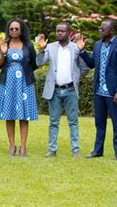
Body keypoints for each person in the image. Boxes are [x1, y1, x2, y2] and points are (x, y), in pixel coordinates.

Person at [77, 19, 117, 161]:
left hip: (113, 93)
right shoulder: (97, 45)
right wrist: (82, 51)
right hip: (99, 92)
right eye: (100, 28)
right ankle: (98, 151)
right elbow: (92, 64)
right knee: (99, 123)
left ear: (112, 31)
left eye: (103, 28)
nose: (100, 30)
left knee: (116, 123)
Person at [36, 22, 89, 158]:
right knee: (53, 122)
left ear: (68, 32)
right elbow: (39, 63)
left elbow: (85, 68)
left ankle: (75, 150)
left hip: (71, 90)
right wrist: (41, 50)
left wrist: (75, 77)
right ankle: (52, 150)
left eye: (62, 31)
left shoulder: (76, 48)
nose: (59, 33)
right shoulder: (50, 47)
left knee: (73, 121)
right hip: (54, 91)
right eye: (57, 31)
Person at [0, 18, 38, 157]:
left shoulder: (28, 45)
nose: (14, 31)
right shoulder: (4, 44)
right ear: (8, 31)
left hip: (24, 84)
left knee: (24, 116)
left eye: (16, 28)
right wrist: (3, 54)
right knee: (9, 115)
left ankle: (23, 146)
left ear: (21, 29)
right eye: (11, 29)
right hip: (8, 83)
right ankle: (12, 146)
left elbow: (34, 64)